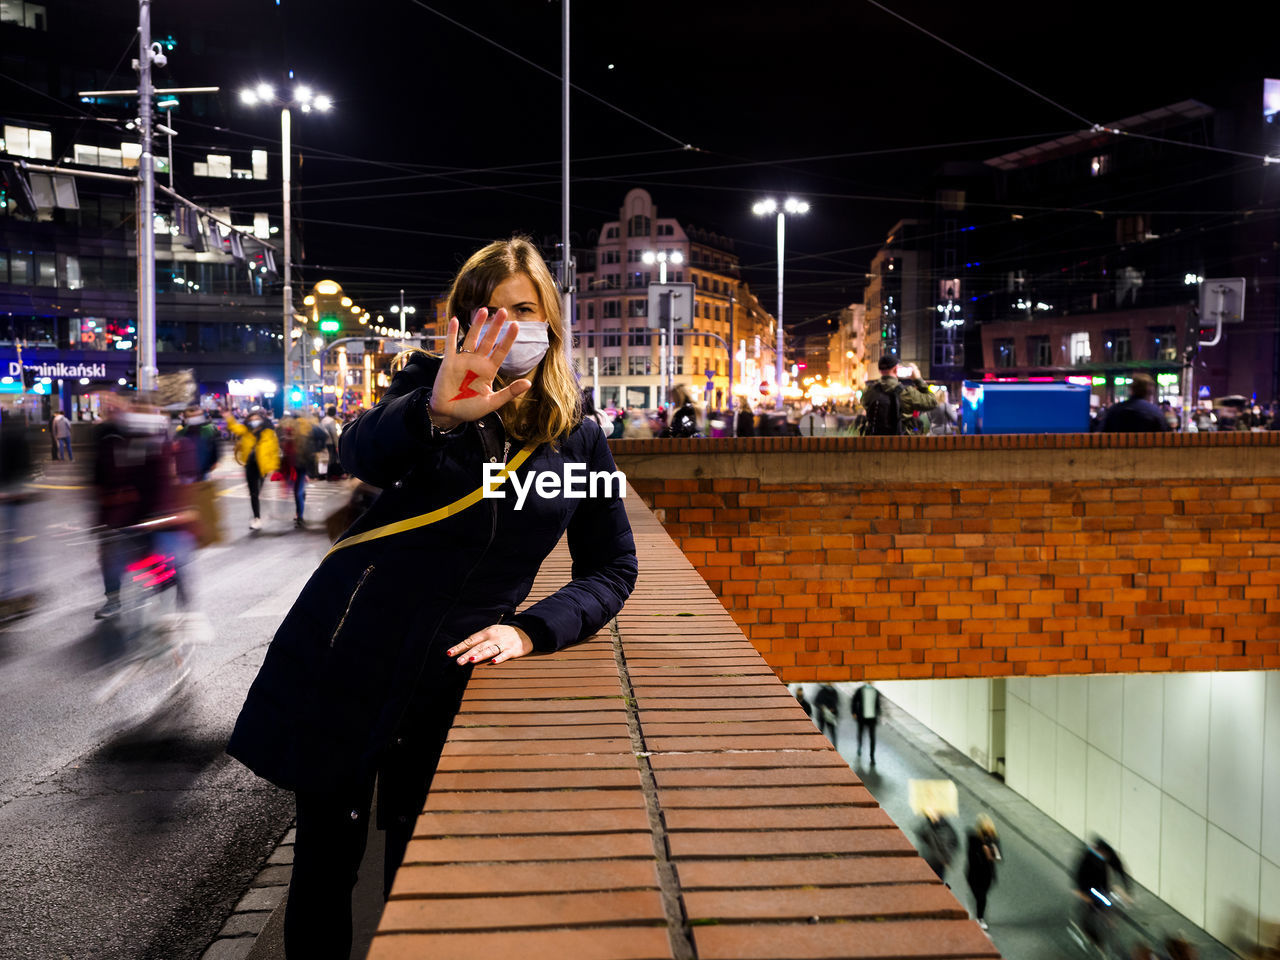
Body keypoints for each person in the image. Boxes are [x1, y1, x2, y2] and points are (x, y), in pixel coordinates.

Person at [225, 237, 638, 960]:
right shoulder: (424, 393)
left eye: (523, 310)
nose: (505, 328)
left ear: (551, 322)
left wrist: (532, 631)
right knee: (324, 870)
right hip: (352, 655)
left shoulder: (577, 439)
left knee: (420, 877)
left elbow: (613, 567)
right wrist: (438, 414)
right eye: (487, 312)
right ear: (459, 323)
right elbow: (358, 452)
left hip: (451, 679)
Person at [224, 406, 280, 531]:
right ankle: (257, 518)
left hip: (262, 466)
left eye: (256, 419)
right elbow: (234, 427)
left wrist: (274, 467)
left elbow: (274, 450)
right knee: (253, 492)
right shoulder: (245, 431)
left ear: (261, 420)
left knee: (258, 490)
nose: (254, 421)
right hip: (250, 465)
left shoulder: (269, 433)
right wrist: (228, 417)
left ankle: (259, 513)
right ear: (248, 421)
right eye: (251, 419)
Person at [1073, 835, 1132, 950]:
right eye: (1102, 854)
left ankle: (1108, 920)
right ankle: (1090, 933)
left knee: (1109, 902)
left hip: (1102, 883)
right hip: (1089, 886)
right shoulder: (1087, 857)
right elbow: (1079, 876)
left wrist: (1127, 888)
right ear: (1096, 850)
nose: (1104, 857)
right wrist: (1082, 893)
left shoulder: (1109, 854)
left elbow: (1119, 868)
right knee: (1096, 906)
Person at [861, 356, 937, 436]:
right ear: (896, 369)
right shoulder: (906, 393)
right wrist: (918, 379)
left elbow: (865, 404)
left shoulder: (869, 392)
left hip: (875, 443)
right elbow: (932, 402)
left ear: (880, 371)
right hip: (901, 443)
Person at [965, 814, 1001, 930]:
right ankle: (979, 916)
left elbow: (999, 858)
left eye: (990, 831)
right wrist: (982, 851)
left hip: (988, 874)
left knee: (982, 896)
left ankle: (980, 915)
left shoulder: (994, 839)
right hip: (974, 874)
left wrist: (993, 853)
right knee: (980, 896)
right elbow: (971, 857)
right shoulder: (973, 839)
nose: (988, 835)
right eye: (986, 831)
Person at [1100, 374, 1170, 433]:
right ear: (1150, 393)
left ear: (1132, 390)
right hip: (1148, 448)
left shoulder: (1115, 410)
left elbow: (1103, 431)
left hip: (1118, 448)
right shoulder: (1155, 412)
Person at [919, 808, 959, 882]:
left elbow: (952, 843)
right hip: (932, 861)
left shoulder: (943, 827)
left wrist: (946, 859)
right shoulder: (929, 825)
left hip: (935, 863)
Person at [851, 679, 881, 765]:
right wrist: (854, 712)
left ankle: (872, 756)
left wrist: (878, 714)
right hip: (862, 717)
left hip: (872, 718)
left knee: (872, 738)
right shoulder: (860, 691)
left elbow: (878, 705)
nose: (871, 681)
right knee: (860, 733)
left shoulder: (876, 692)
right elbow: (854, 701)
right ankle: (859, 747)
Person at [320, 405, 343, 480]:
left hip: (324, 441)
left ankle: (327, 474)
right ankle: (330, 474)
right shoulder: (331, 421)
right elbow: (333, 434)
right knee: (332, 458)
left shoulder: (324, 420)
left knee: (327, 458)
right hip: (330, 442)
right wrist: (337, 445)